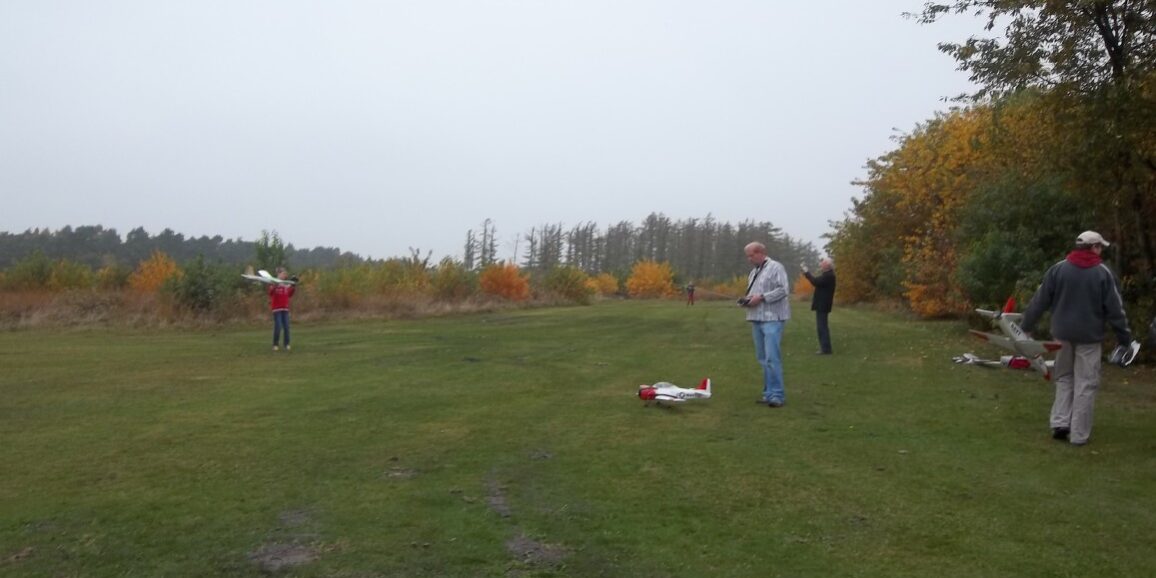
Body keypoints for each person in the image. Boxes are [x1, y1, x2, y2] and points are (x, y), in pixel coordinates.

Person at [1020, 231, 1134, 446]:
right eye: (1099, 246)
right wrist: (1124, 338)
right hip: (1089, 337)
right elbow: (1115, 310)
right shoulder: (1103, 273)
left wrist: (1026, 327)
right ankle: (1079, 434)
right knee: (1086, 383)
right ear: (1093, 248)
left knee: (1063, 377)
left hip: (1062, 334)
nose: (1101, 250)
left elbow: (1040, 300)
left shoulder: (1059, 268)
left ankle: (1060, 422)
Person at [739, 242, 791, 407]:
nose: (749, 259)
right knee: (762, 359)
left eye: (751, 255)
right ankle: (768, 393)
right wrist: (746, 301)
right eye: (747, 256)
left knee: (772, 358)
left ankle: (777, 395)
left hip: (772, 319)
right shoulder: (754, 272)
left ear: (761, 252)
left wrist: (761, 297)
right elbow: (754, 295)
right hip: (756, 318)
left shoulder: (776, 267)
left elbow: (783, 290)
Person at [801, 257, 836, 355]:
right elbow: (817, 281)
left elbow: (815, 281)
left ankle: (826, 349)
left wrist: (806, 272)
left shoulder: (829, 276)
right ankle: (825, 348)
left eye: (822, 263)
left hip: (823, 304)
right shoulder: (828, 275)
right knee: (822, 326)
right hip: (822, 304)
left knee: (822, 327)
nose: (821, 265)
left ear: (827, 265)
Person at [269, 267, 297, 352]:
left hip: (285, 309)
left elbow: (289, 294)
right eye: (283, 274)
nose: (285, 275)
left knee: (287, 327)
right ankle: (275, 344)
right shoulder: (273, 282)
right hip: (277, 309)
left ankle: (287, 344)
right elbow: (270, 293)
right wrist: (275, 285)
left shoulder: (285, 284)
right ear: (279, 274)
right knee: (278, 327)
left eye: (285, 274)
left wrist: (293, 286)